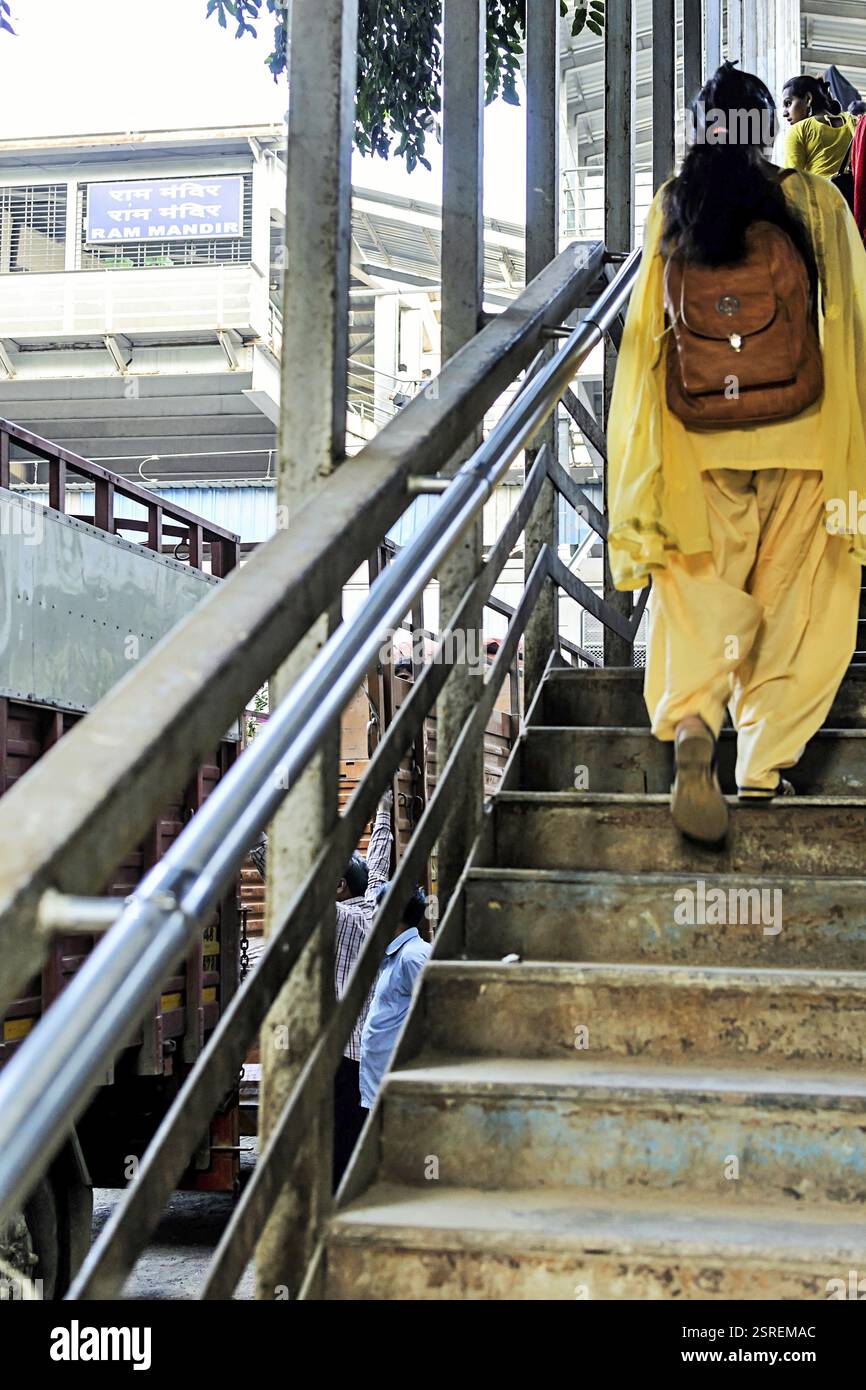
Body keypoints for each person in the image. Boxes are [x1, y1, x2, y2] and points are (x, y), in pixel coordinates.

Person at [608, 61, 866, 844]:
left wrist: (645, 458)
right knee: (798, 594)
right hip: (802, 430)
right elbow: (852, 322)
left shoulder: (673, 208)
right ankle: (762, 759)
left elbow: (644, 343)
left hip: (698, 435)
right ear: (770, 128)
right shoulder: (815, 202)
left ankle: (693, 725)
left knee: (699, 587)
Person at [333, 789, 393, 1186]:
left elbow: (291, 888)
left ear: (339, 887)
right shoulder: (376, 911)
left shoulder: (336, 919)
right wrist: (384, 815)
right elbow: (378, 870)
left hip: (339, 1053)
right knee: (360, 1126)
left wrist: (261, 844)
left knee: (336, 1133)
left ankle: (336, 1196)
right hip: (369, 1049)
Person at [359, 883, 431, 1113]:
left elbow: (435, 1015)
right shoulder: (396, 955)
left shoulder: (412, 957)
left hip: (399, 1084)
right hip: (383, 1080)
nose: (372, 914)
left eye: (378, 907)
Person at [781, 74, 858, 179]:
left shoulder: (799, 130)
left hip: (819, 194)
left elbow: (791, 181)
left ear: (808, 99)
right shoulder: (854, 123)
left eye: (788, 103)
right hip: (853, 194)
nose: (784, 113)